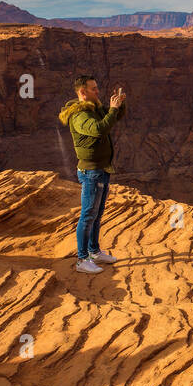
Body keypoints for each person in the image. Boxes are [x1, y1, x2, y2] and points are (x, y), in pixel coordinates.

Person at [58, 75, 127, 275]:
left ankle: (94, 251)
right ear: (82, 92)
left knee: (96, 214)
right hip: (91, 172)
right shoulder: (79, 115)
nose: (98, 92)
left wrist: (119, 105)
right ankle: (82, 260)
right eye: (94, 89)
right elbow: (98, 129)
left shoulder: (94, 108)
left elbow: (113, 118)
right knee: (88, 215)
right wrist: (113, 110)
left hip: (102, 169)